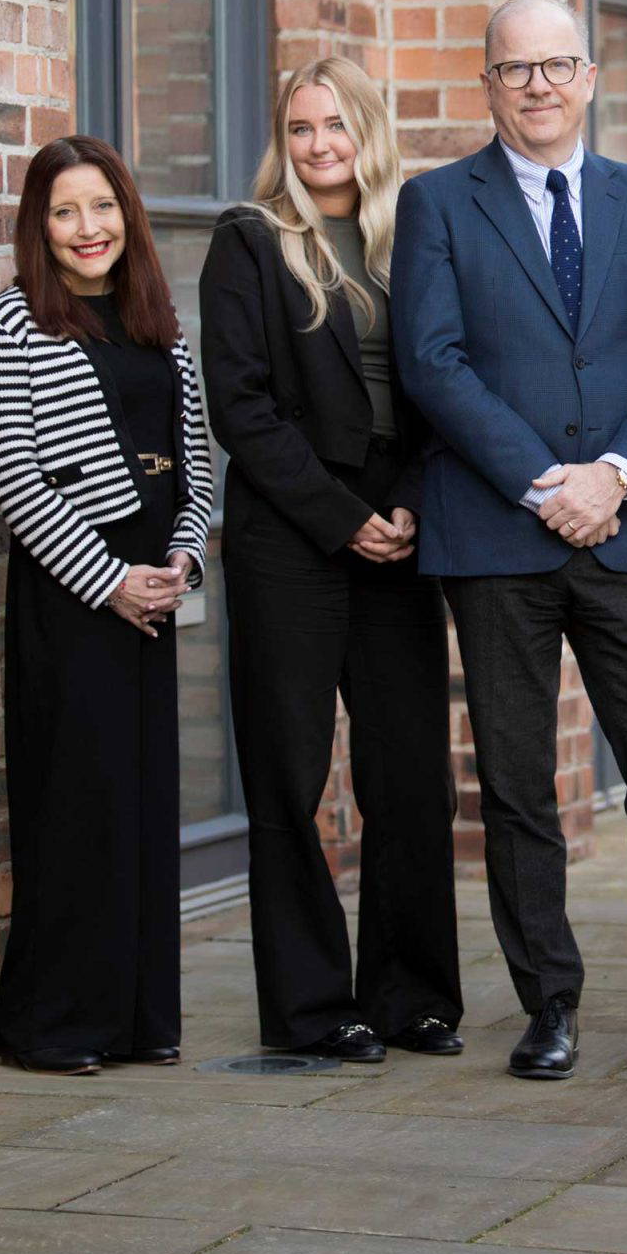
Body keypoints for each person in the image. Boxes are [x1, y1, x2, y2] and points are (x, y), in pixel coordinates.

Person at [392, 0, 627, 1095]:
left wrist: (614, 475)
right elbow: (432, 362)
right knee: (519, 787)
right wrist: (541, 482)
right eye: (516, 69)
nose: (539, 86)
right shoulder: (437, 203)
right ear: (487, 83)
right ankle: (548, 1004)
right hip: (496, 534)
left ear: (591, 78)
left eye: (557, 65)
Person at [199, 58, 461, 1064]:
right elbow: (241, 408)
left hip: (400, 526)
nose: (319, 146)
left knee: (410, 775)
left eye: (337, 125)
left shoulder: (413, 238)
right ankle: (313, 1010)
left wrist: (407, 505)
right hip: (292, 534)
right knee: (289, 773)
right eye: (302, 128)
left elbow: (442, 389)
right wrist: (342, 517)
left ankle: (411, 997)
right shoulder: (250, 241)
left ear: (368, 132)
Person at [0, 137, 212, 1075]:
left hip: (154, 590)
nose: (87, 228)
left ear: (127, 214)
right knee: (76, 805)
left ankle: (137, 1020)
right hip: (74, 597)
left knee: (142, 805)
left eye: (102, 207)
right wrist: (109, 580)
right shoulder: (10, 324)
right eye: (65, 212)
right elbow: (17, 481)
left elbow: (194, 460)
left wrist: (182, 560)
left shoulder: (158, 318)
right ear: (40, 225)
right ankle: (53, 1026)